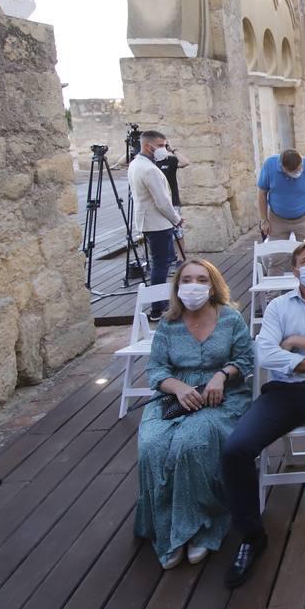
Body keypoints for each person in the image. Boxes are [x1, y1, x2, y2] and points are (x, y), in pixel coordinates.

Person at [222, 241, 305, 584]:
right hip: (282, 390)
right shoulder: (277, 307)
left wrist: (299, 340)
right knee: (236, 449)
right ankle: (252, 535)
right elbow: (266, 353)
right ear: (295, 270)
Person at [136, 259, 252, 569]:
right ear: (177, 287)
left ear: (212, 286)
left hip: (221, 397)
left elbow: (246, 359)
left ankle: (201, 525)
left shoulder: (230, 318)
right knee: (152, 446)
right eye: (186, 279)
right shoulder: (169, 324)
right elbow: (156, 369)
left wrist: (222, 375)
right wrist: (177, 388)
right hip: (173, 398)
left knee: (191, 444)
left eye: (201, 279)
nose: (193, 285)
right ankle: (168, 531)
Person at [129, 130, 184, 318]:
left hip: (149, 220)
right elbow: (161, 201)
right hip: (157, 222)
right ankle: (158, 306)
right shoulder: (149, 169)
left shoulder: (136, 164)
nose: (163, 149)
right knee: (160, 264)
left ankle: (161, 300)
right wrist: (176, 219)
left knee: (161, 261)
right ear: (148, 146)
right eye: (160, 145)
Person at [258, 148, 305, 243]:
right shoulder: (269, 165)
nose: (297, 173)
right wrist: (264, 220)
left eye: (299, 169)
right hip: (277, 219)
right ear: (282, 167)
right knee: (276, 255)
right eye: (293, 172)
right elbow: (262, 193)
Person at [153, 139, 190, 210]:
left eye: (163, 146)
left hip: (172, 203)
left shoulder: (170, 160)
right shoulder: (149, 162)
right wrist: (134, 150)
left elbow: (185, 162)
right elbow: (124, 163)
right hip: (155, 205)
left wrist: (173, 150)